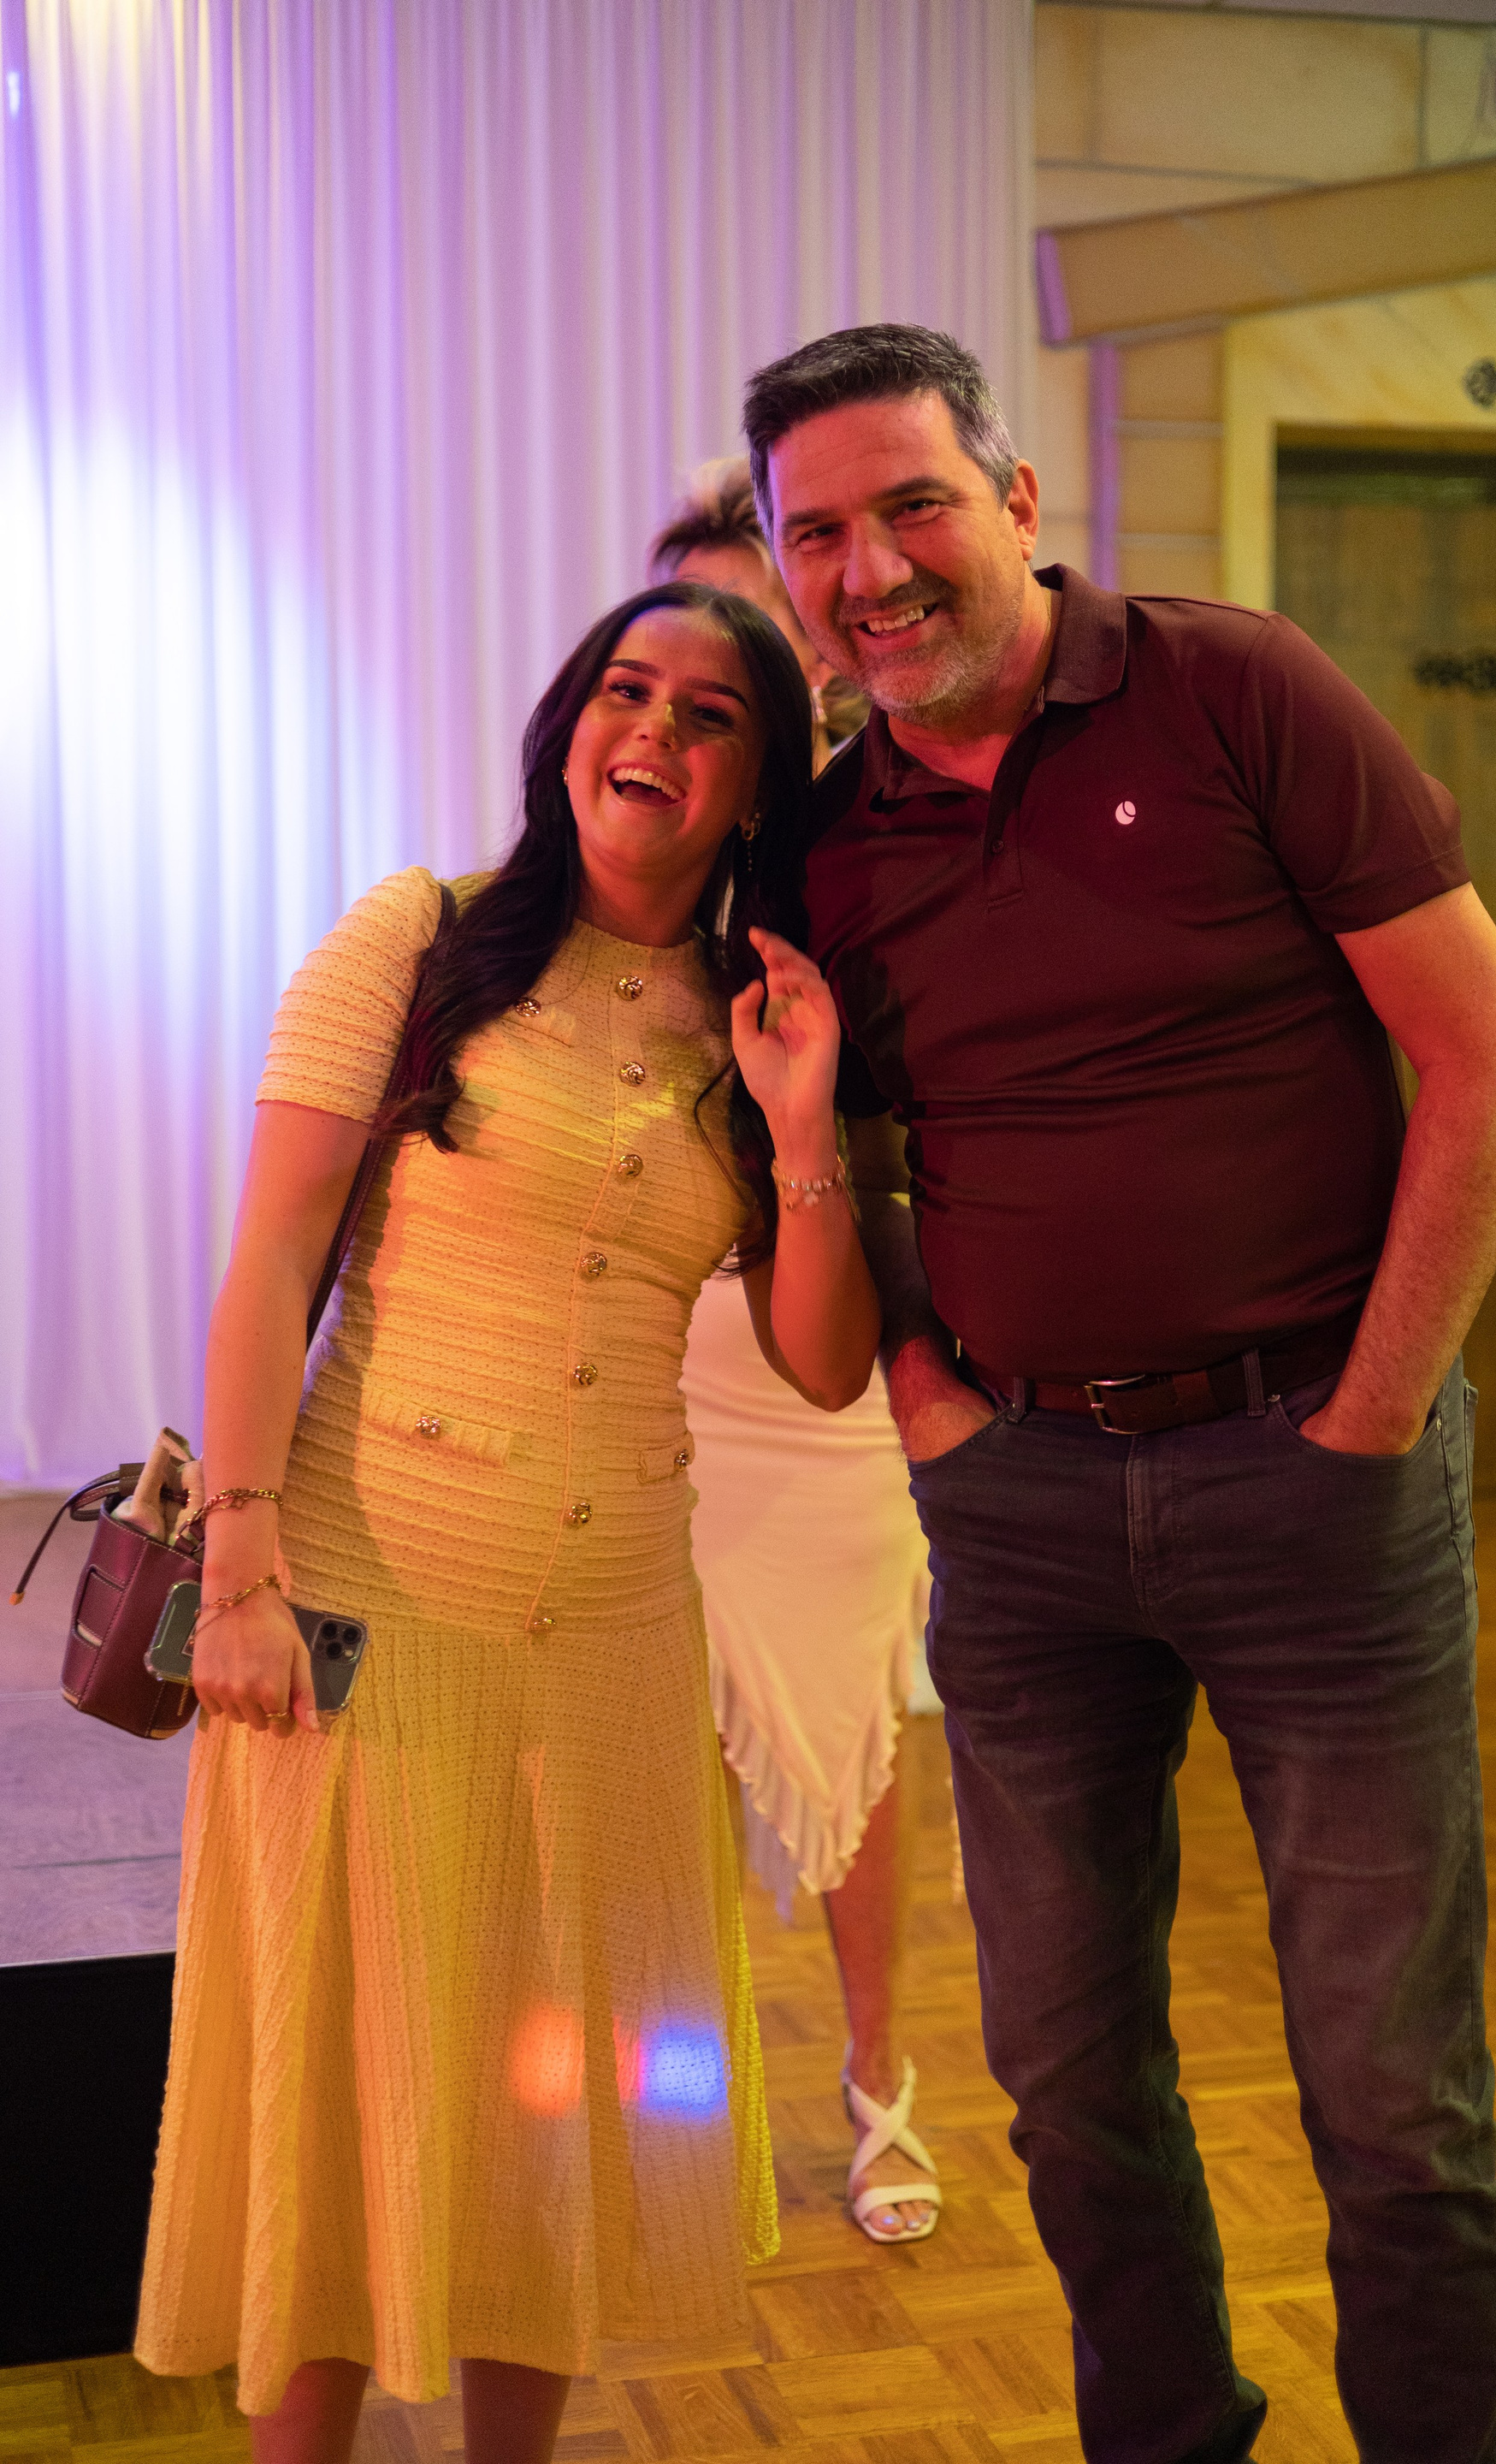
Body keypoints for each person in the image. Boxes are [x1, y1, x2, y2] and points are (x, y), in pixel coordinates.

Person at [742, 323, 1496, 2464]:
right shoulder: (822, 843)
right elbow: (842, 1162)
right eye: (817, 534)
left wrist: (1374, 1417)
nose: (870, 569)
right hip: (1022, 1516)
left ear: (1017, 502)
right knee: (1068, 2080)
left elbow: (1493, 1057)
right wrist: (932, 1399)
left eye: (913, 504)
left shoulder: (1233, 692)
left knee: (1392, 2096)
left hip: (1320, 1481)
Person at [133, 580, 880, 2464]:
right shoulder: (421, 937)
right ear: (569, 727)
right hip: (361, 1594)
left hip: (618, 1632)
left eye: (711, 716)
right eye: (628, 691)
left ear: (758, 785)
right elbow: (270, 1257)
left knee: (571, 2078)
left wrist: (804, 1129)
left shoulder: (765, 1021)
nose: (658, 733)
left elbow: (822, 1362)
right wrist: (241, 1570)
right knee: (335, 2065)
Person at [648, 463, 938, 2242]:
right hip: (652, 1360)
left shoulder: (882, 850)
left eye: (758, 624)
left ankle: (881, 2080)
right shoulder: (614, 848)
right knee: (653, 1753)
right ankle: (691, 2102)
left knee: (860, 1735)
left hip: (828, 1362)